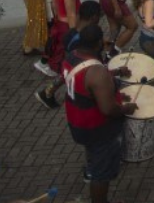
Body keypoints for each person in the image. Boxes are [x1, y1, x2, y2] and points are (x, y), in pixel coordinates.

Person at [63, 24, 136, 203]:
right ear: (98, 44)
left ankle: (92, 168)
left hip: (77, 122)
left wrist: (116, 73)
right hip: (98, 129)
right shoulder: (97, 72)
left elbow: (88, 82)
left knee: (94, 157)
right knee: (101, 175)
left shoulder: (71, 57)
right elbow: (108, 109)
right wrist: (126, 108)